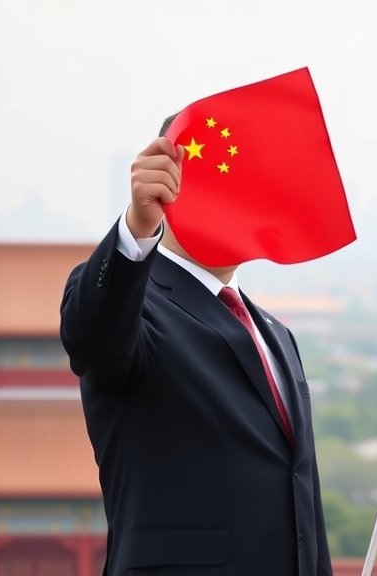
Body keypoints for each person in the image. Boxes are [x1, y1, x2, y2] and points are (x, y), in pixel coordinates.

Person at [60, 118, 333, 575]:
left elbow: (301, 494)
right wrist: (137, 226)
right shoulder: (135, 305)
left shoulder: (276, 335)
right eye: (214, 182)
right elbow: (94, 342)